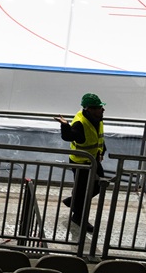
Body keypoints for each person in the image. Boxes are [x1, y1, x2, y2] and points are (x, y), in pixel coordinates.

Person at [56, 92, 107, 234]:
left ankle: (74, 200)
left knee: (99, 185)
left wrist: (102, 151)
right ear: (90, 109)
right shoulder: (81, 122)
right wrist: (65, 125)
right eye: (99, 107)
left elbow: (98, 137)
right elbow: (68, 136)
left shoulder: (96, 118)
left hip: (92, 159)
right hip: (81, 162)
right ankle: (78, 217)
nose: (102, 109)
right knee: (84, 190)